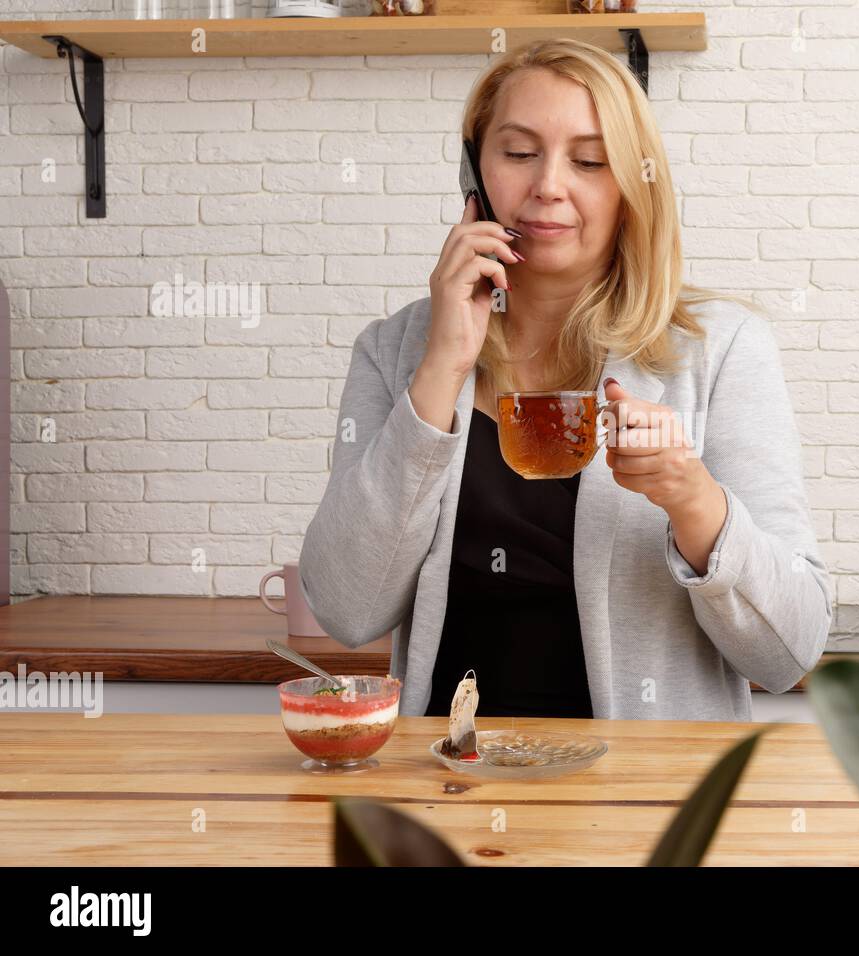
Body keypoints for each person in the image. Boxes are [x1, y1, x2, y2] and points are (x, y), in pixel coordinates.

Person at [299, 38, 831, 722]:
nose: (549, 184)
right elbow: (348, 610)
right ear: (475, 172)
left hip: (646, 803)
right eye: (519, 153)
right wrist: (440, 370)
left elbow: (789, 653)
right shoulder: (395, 351)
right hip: (447, 786)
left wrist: (693, 499)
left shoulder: (721, 350)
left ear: (633, 184)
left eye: (589, 160)